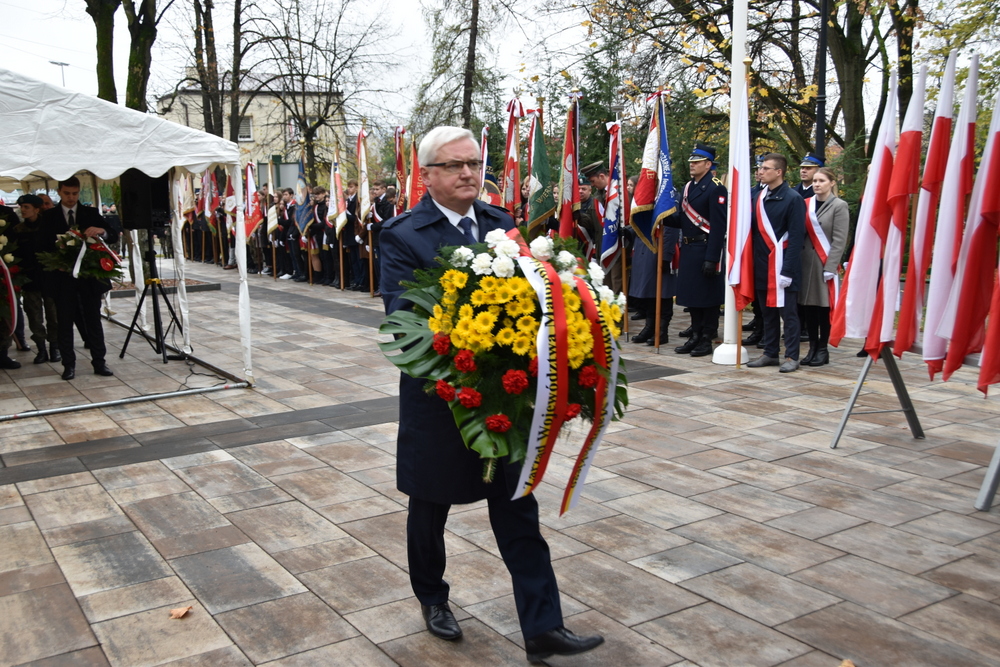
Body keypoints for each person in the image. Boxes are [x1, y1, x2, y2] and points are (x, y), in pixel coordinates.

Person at [379, 126, 604, 663]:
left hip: (509, 395)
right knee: (430, 506)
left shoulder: (503, 224)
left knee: (518, 508)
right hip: (441, 395)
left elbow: (537, 295)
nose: (469, 174)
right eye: (455, 166)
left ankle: (543, 628)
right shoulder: (402, 234)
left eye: (475, 164)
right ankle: (432, 598)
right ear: (427, 174)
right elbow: (402, 317)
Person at [40, 177, 119, 380]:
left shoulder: (90, 213)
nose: (71, 198)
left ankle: (99, 362)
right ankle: (69, 365)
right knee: (64, 323)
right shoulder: (49, 216)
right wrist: (54, 259)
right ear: (59, 192)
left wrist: (102, 231)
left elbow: (113, 234)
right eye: (67, 193)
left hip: (88, 279)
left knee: (93, 321)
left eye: (74, 194)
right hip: (62, 280)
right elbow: (39, 246)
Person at [747, 154, 805, 373]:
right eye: (760, 168)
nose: (760, 171)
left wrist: (788, 270)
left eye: (765, 168)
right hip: (762, 264)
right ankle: (770, 353)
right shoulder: (759, 197)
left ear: (778, 172)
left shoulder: (793, 198)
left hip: (782, 265)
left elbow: (797, 236)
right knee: (766, 312)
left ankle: (792, 355)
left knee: (788, 314)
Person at [668, 144, 727, 357]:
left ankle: (706, 338)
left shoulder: (716, 187)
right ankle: (695, 335)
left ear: (708, 164)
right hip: (689, 248)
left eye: (697, 161)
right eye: (691, 161)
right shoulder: (688, 187)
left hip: (705, 248)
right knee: (693, 297)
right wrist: (663, 217)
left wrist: (712, 257)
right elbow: (684, 220)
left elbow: (719, 226)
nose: (692, 164)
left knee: (707, 298)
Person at [799, 167, 849, 366]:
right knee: (808, 308)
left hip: (824, 264)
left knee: (823, 308)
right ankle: (811, 347)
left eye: (821, 181)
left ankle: (822, 349)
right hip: (805, 264)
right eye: (815, 181)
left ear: (832, 183)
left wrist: (831, 266)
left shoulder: (839, 205)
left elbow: (839, 239)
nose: (817, 184)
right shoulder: (806, 204)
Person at [13, 195, 60, 365]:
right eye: (21, 207)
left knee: (53, 315)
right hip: (30, 279)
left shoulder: (47, 227)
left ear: (36, 209)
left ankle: (54, 347)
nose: (23, 210)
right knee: (34, 316)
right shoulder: (18, 230)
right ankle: (41, 349)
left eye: (26, 207)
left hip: (48, 277)